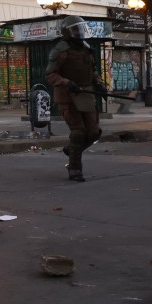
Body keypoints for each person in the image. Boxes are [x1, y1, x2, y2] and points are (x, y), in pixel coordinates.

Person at [45, 15, 107, 182]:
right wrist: (66, 82)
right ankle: (75, 169)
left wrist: (99, 83)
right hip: (68, 96)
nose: (79, 33)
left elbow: (93, 70)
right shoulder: (60, 50)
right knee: (78, 132)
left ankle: (71, 149)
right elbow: (50, 74)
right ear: (67, 32)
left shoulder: (86, 49)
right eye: (75, 30)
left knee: (94, 132)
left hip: (86, 94)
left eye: (80, 29)